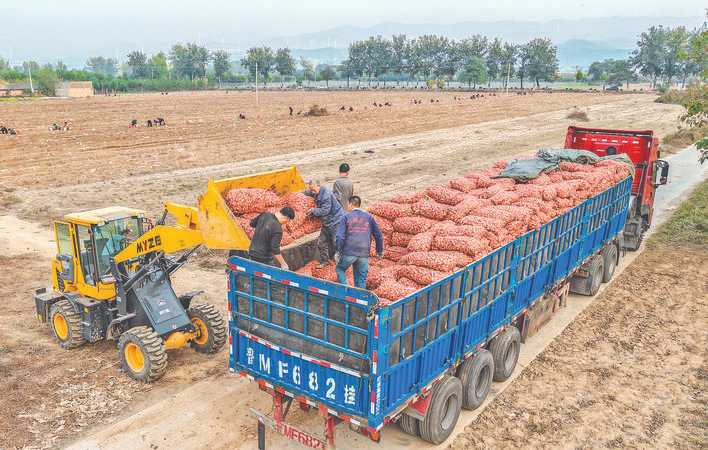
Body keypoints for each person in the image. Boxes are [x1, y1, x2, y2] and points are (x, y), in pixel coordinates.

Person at [334, 196, 384, 289]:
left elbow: (340, 236)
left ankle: (344, 293)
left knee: (340, 268)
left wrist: (338, 251)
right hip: (364, 254)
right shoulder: (369, 217)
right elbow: (378, 235)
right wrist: (379, 251)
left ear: (350, 204)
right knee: (360, 281)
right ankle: (360, 301)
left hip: (349, 252)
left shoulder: (346, 217)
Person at [303, 179, 344, 269]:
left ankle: (341, 265)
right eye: (311, 190)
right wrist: (299, 193)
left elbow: (325, 211)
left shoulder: (326, 195)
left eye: (314, 190)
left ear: (319, 185)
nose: (313, 192)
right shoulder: (315, 191)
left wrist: (313, 210)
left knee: (336, 243)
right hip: (327, 222)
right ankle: (325, 262)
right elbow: (308, 192)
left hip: (335, 221)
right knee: (321, 242)